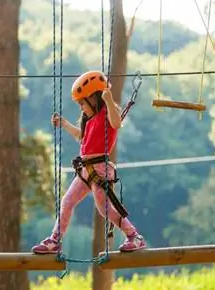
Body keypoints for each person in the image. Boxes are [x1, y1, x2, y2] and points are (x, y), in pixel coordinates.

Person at [32, 70, 146, 254]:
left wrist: (108, 100)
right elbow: (81, 136)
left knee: (104, 208)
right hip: (86, 170)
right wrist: (64, 123)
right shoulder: (90, 120)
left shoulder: (107, 113)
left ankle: (134, 236)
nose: (81, 107)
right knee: (67, 201)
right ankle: (55, 240)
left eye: (82, 103)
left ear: (94, 98)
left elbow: (116, 124)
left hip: (100, 169)